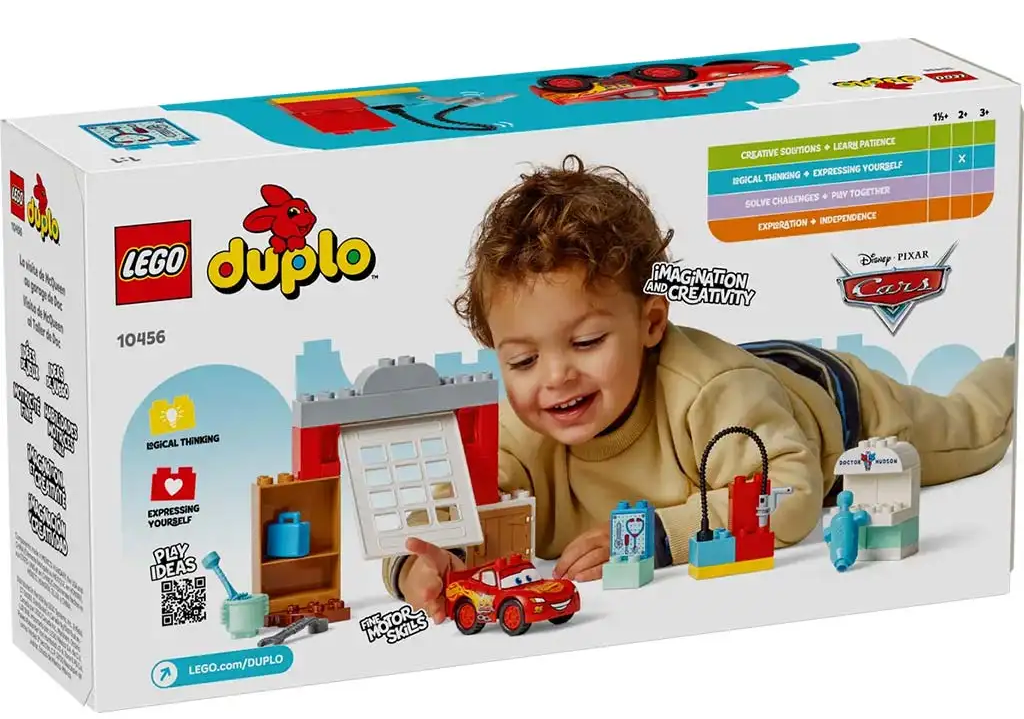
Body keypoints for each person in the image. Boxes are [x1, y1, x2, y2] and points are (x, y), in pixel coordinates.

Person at [384, 156, 1015, 622]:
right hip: (750, 379)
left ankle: (1009, 363)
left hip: (840, 405)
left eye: (586, 342)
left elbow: (790, 492)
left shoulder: (711, 394)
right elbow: (448, 507)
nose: (554, 377)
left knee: (975, 424)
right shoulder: (520, 427)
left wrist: (657, 536)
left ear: (651, 322)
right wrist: (418, 562)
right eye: (522, 359)